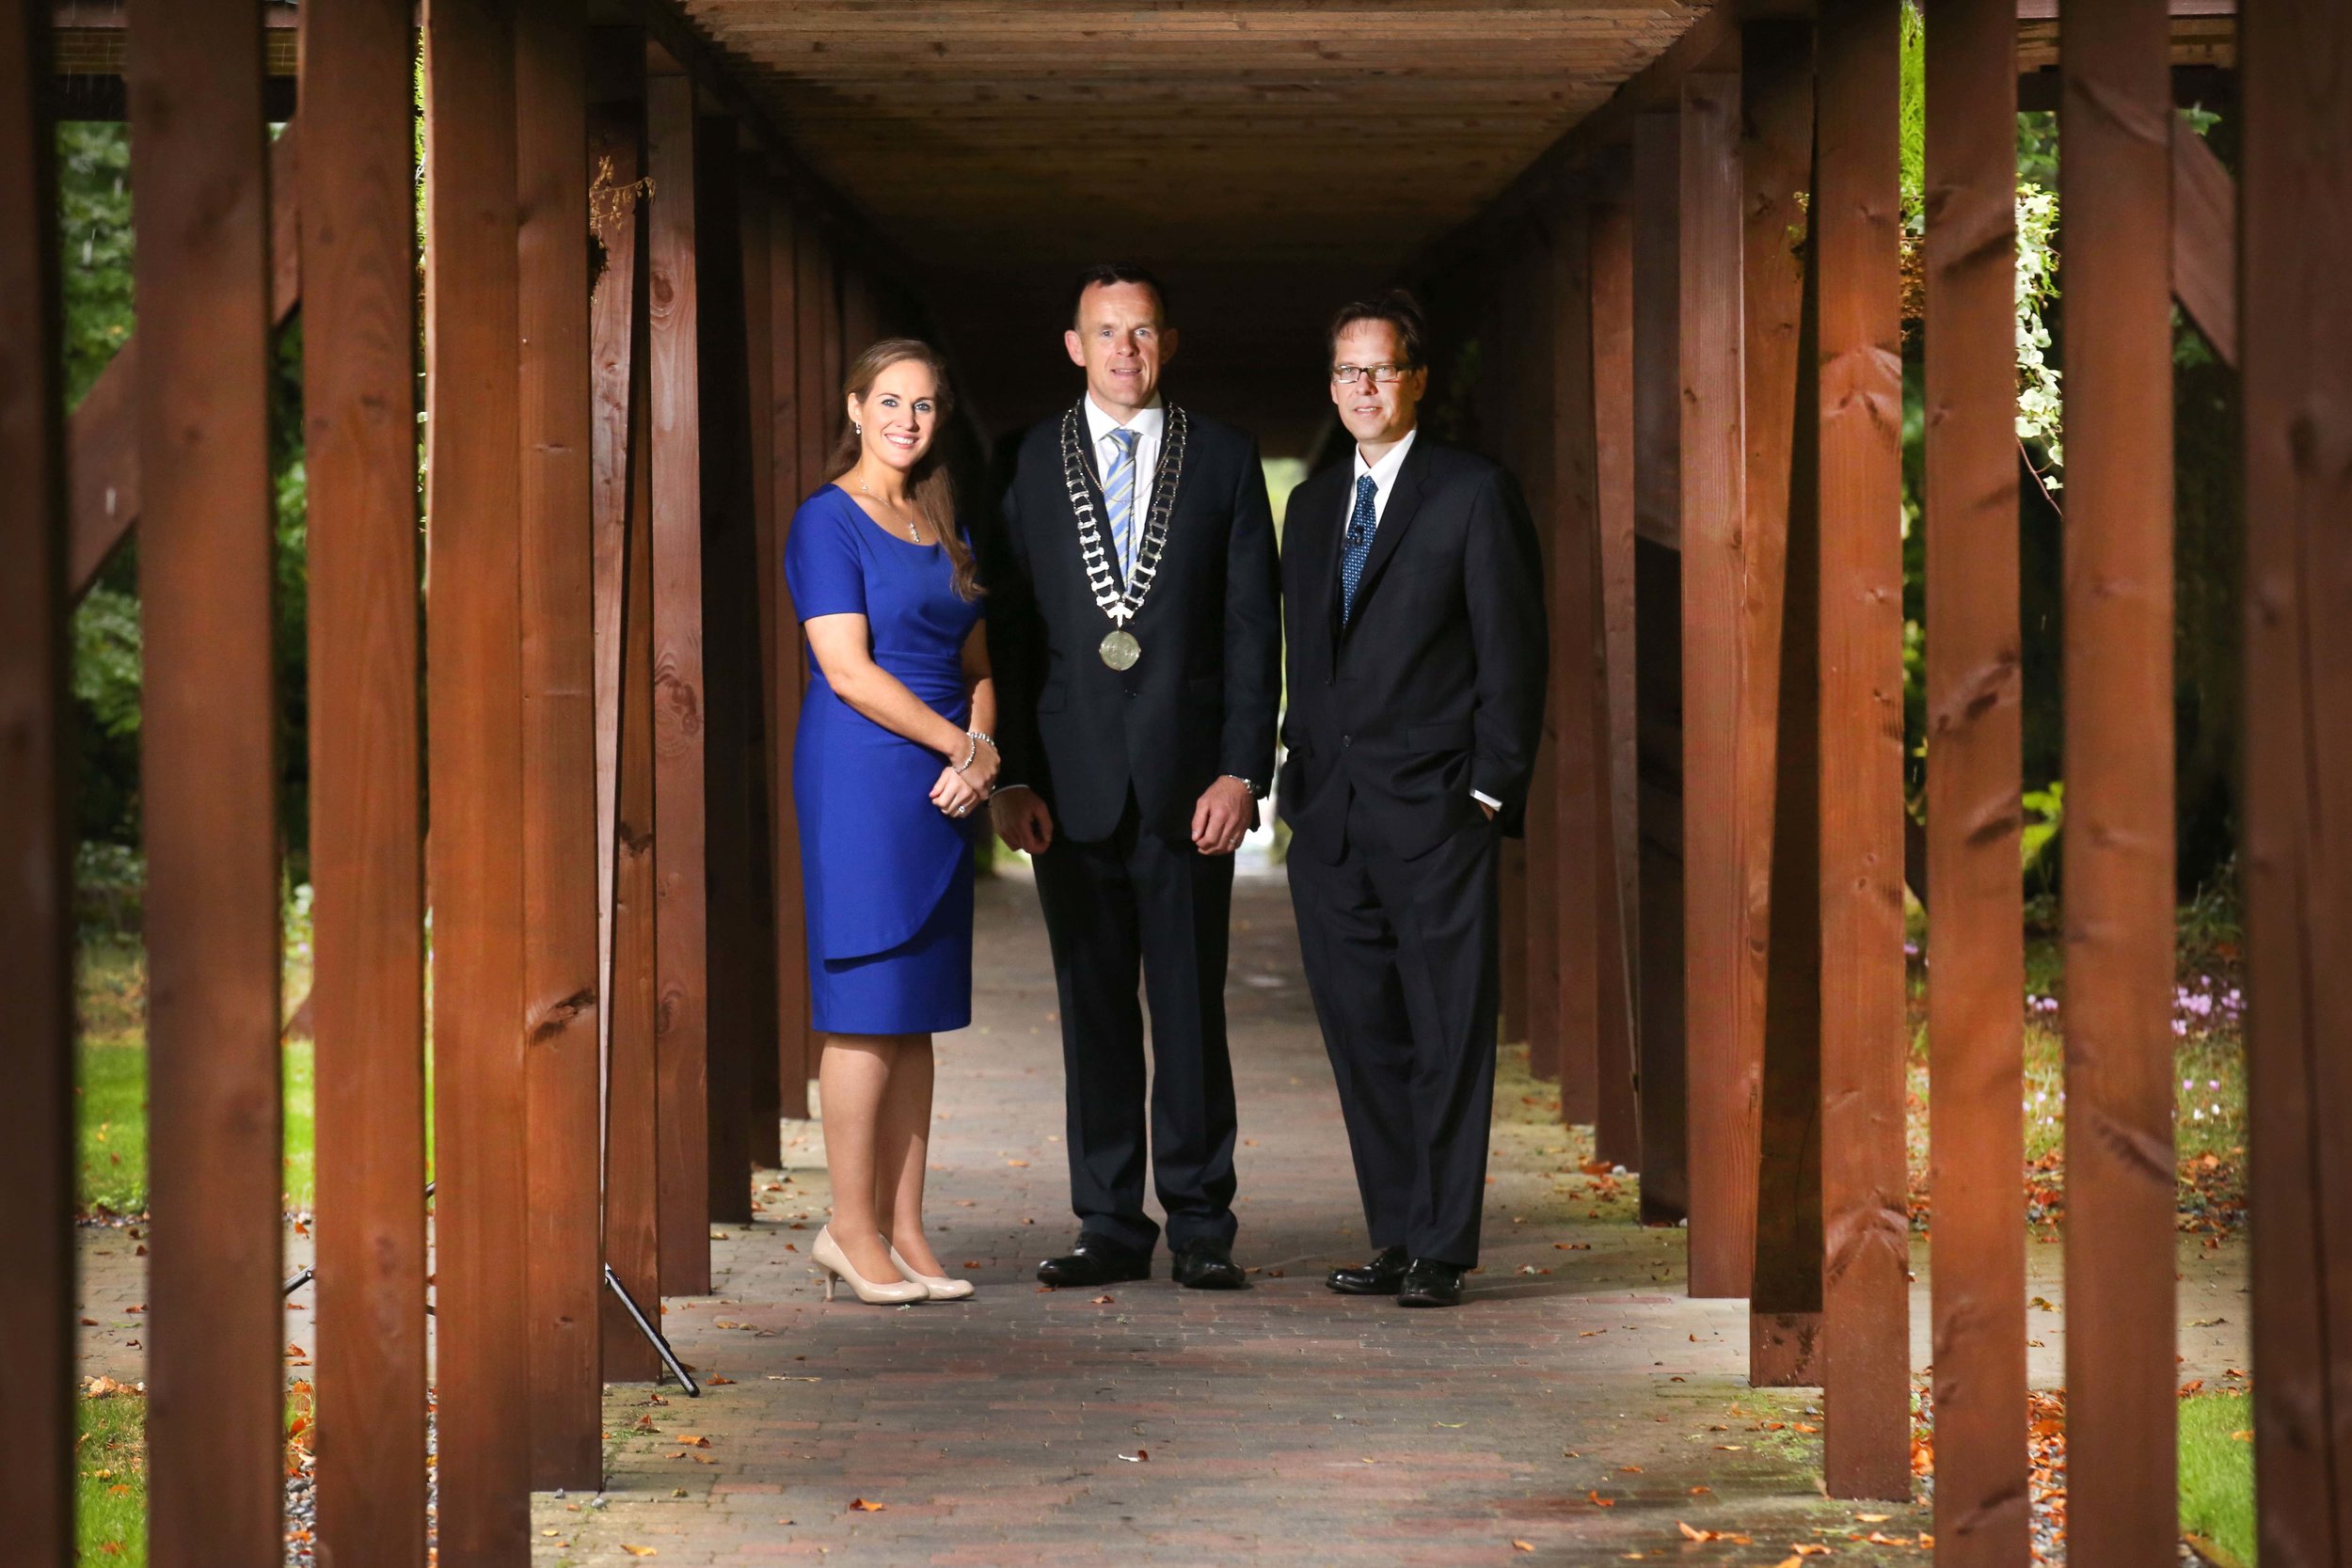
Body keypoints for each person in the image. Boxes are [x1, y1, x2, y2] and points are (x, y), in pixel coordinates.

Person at [987, 263, 1281, 1291]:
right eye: (1106, 333)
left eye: (1143, 332)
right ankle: (1109, 1219)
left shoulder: (1226, 461)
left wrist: (1243, 768)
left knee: (1191, 1004)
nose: (1125, 351)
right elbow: (1011, 637)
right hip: (1065, 790)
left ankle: (1201, 1217)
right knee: (1093, 1005)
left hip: (1186, 781)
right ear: (1074, 346)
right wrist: (1010, 777)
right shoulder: (1021, 461)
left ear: (1168, 342)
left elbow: (1253, 630)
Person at [1278, 292, 1547, 1308]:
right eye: (1348, 372)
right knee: (1364, 1035)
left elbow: (1514, 654)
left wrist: (1485, 791)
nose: (1364, 388)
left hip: (1437, 812)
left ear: (1416, 380)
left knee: (1444, 1031)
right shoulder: (1308, 509)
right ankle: (1393, 1232)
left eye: (1382, 369)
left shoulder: (1472, 493)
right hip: (1332, 818)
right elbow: (1308, 656)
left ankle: (1441, 1246)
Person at [787, 339, 996, 1307]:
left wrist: (981, 748)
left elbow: (978, 661)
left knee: (915, 1019)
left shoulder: (941, 518)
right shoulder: (826, 522)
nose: (907, 419)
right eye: (891, 401)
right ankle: (849, 1226)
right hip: (864, 777)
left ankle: (907, 1226)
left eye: (923, 404)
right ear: (856, 405)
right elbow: (846, 669)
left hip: (945, 782)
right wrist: (960, 747)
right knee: (865, 1011)